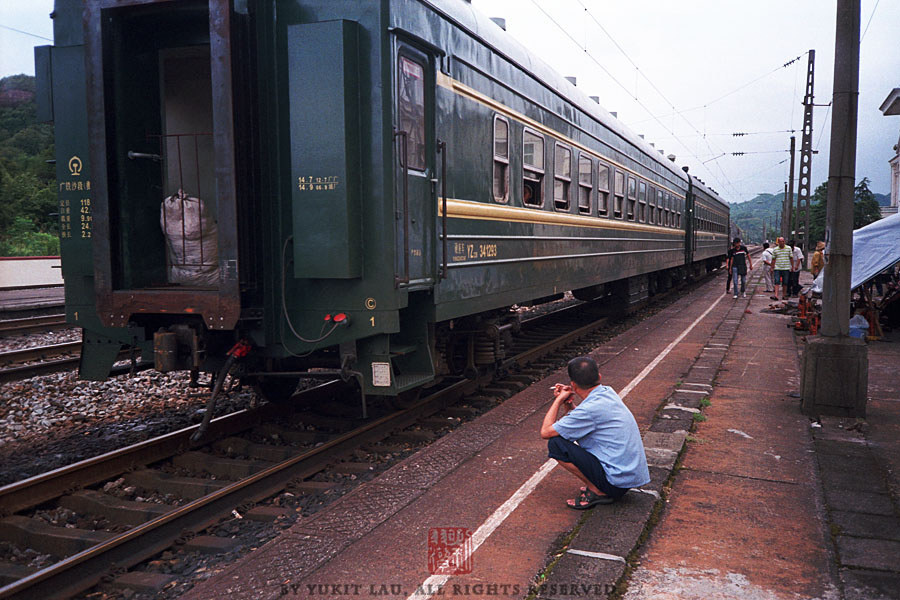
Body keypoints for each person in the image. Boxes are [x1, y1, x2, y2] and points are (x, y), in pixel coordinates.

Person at [540, 356, 650, 509]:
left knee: (556, 444)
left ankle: (597, 490)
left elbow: (546, 432)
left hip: (615, 484)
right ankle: (599, 484)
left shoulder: (589, 410)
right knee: (562, 439)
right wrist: (570, 405)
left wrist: (558, 400)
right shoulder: (607, 392)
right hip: (626, 478)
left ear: (573, 384)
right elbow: (587, 418)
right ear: (599, 377)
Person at [771, 237, 793, 301]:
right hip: (777, 267)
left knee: (785, 282)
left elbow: (791, 258)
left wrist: (792, 266)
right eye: (780, 241)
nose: (782, 243)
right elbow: (773, 259)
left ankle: (784, 295)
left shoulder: (788, 248)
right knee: (777, 281)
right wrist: (772, 267)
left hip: (786, 267)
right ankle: (776, 295)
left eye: (783, 241)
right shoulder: (775, 249)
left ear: (784, 242)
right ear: (778, 242)